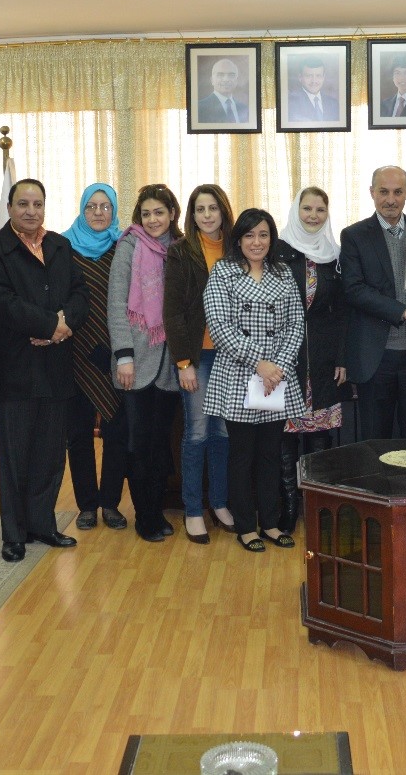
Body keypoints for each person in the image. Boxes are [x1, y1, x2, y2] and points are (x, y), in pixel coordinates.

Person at [0, 178, 89, 561]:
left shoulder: (60, 244)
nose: (30, 210)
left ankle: (43, 525)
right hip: (16, 368)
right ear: (9, 207)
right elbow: (2, 302)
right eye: (22, 203)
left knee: (50, 454)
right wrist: (48, 326)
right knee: (14, 455)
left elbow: (79, 293)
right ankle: (14, 534)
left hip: (56, 366)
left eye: (37, 203)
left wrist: (62, 326)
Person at [202, 208, 307, 552]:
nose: (256, 242)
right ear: (238, 240)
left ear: (271, 239)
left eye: (263, 235)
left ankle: (272, 524)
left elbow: (296, 325)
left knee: (270, 453)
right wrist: (259, 363)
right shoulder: (223, 272)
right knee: (242, 454)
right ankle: (246, 526)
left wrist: (277, 367)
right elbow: (218, 325)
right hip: (239, 373)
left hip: (276, 376)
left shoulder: (283, 273)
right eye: (249, 235)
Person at [340, 166, 406, 441]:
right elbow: (354, 290)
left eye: (398, 192)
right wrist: (404, 311)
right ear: (372, 193)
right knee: (376, 442)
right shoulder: (354, 235)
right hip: (377, 355)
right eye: (383, 192)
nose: (391, 199)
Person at [107, 183, 183, 543]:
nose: (153, 219)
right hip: (135, 362)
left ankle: (155, 508)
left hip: (171, 365)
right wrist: (124, 356)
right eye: (147, 213)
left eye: (160, 212)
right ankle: (145, 517)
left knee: (160, 442)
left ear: (172, 214)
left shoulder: (181, 248)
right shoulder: (129, 246)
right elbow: (117, 305)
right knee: (139, 443)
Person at [272, 187, 350, 532]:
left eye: (320, 209)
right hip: (283, 355)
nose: (313, 215)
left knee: (320, 436)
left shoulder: (335, 254)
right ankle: (289, 510)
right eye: (307, 208)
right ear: (295, 210)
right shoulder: (276, 249)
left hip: (322, 354)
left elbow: (342, 311)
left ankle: (318, 510)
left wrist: (342, 357)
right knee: (284, 437)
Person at [165, 184, 237, 542]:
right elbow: (173, 312)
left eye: (212, 208)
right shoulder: (181, 252)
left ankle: (220, 502)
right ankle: (193, 509)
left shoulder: (238, 248)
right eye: (199, 209)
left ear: (223, 210)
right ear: (191, 216)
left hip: (232, 356)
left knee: (222, 433)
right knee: (196, 432)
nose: (206, 215)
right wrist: (183, 362)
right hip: (197, 356)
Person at [62, 183, 131, 532]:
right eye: (92, 206)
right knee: (77, 433)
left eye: (106, 206)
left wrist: (120, 348)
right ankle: (87, 505)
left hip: (117, 352)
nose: (99, 213)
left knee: (118, 430)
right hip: (73, 351)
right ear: (81, 209)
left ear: (115, 209)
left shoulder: (124, 246)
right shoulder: (62, 246)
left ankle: (111, 503)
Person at [284, 56, 338, 124]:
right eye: (309, 76)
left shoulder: (334, 104)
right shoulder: (290, 104)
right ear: (300, 77)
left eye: (318, 76)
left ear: (323, 77)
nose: (314, 81)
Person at [197, 58, 247, 124]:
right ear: (212, 80)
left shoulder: (244, 108)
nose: (226, 79)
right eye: (220, 75)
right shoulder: (200, 108)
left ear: (236, 81)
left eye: (231, 75)